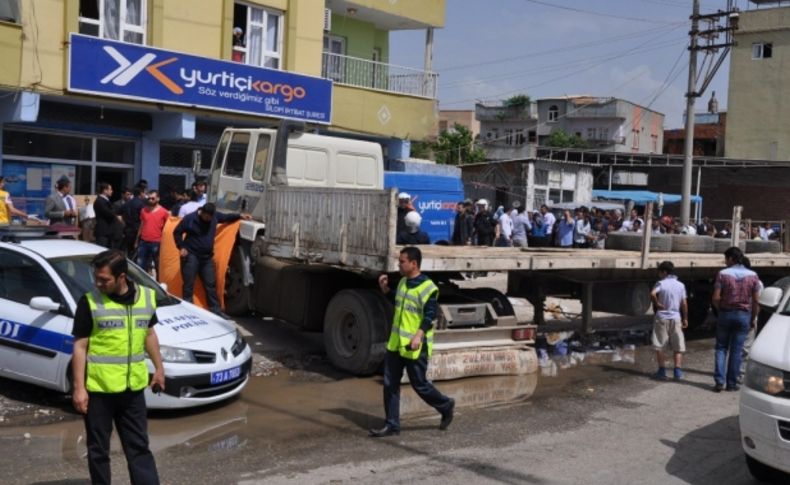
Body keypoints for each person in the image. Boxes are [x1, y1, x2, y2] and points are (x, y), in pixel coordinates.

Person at [70, 250, 165, 484]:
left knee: (139, 447)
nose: (98, 283)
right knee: (99, 451)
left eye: (104, 279)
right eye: (96, 278)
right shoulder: (90, 302)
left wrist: (159, 368)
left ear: (122, 276)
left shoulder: (146, 297)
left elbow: (149, 334)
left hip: (132, 390)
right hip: (99, 391)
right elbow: (80, 347)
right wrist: (79, 388)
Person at [370, 247, 454, 437]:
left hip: (416, 346)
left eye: (402, 262)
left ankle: (446, 405)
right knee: (390, 383)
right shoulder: (402, 282)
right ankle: (392, 424)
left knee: (420, 385)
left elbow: (430, 315)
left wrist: (419, 335)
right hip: (396, 344)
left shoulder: (428, 288)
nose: (399, 264)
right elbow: (400, 303)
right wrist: (385, 291)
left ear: (414, 264)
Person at [173, 203, 250, 317]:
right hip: (191, 256)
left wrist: (240, 216)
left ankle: (216, 311)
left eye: (211, 217)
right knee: (189, 284)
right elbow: (177, 232)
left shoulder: (214, 217)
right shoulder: (190, 219)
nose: (209, 219)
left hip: (206, 258)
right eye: (207, 217)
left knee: (211, 284)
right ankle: (188, 311)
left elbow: (226, 217)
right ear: (202, 213)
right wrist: (181, 246)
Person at [711, 246, 762, 392]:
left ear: (731, 259)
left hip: (726, 313)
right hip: (743, 315)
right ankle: (732, 384)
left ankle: (719, 381)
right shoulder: (753, 276)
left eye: (726, 259)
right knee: (737, 350)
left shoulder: (722, 274)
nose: (725, 262)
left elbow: (715, 298)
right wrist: (753, 318)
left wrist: (721, 310)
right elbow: (756, 301)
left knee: (721, 348)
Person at [650, 261, 688, 380]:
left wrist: (657, 303)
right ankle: (677, 372)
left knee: (660, 345)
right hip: (676, 317)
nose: (659, 275)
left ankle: (662, 371)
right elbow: (684, 303)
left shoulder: (661, 283)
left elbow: (652, 293)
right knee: (678, 346)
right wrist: (685, 318)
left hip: (662, 317)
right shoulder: (680, 285)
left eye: (660, 272)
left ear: (664, 272)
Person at [136, 190, 169, 276]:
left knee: (158, 266)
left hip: (157, 242)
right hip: (143, 241)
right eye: (149, 198)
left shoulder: (164, 212)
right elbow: (141, 225)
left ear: (158, 199)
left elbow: (167, 229)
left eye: (153, 198)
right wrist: (136, 241)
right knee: (140, 265)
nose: (150, 200)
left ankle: (158, 284)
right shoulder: (143, 210)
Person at [93, 182, 122, 249]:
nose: (112, 191)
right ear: (105, 190)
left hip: (108, 232)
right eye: (110, 189)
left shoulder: (106, 201)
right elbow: (109, 213)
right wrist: (115, 212)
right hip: (103, 232)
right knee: (101, 251)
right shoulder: (100, 201)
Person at [122, 186, 146, 258]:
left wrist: (124, 223)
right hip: (137, 230)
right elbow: (144, 218)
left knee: (129, 251)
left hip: (128, 229)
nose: (144, 195)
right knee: (137, 252)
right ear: (141, 193)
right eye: (144, 193)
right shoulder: (141, 204)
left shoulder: (127, 203)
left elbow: (118, 214)